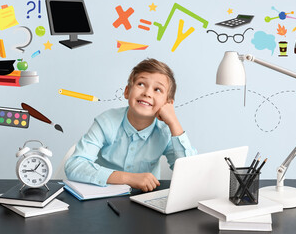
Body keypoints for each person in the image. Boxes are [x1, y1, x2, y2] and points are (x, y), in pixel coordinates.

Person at [65, 58, 197, 192]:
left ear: (167, 103)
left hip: (144, 201)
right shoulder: (106, 122)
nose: (147, 93)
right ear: (127, 92)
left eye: (157, 89)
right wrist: (128, 178)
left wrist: (174, 123)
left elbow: (190, 176)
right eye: (141, 84)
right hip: (102, 197)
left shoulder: (166, 131)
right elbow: (74, 166)